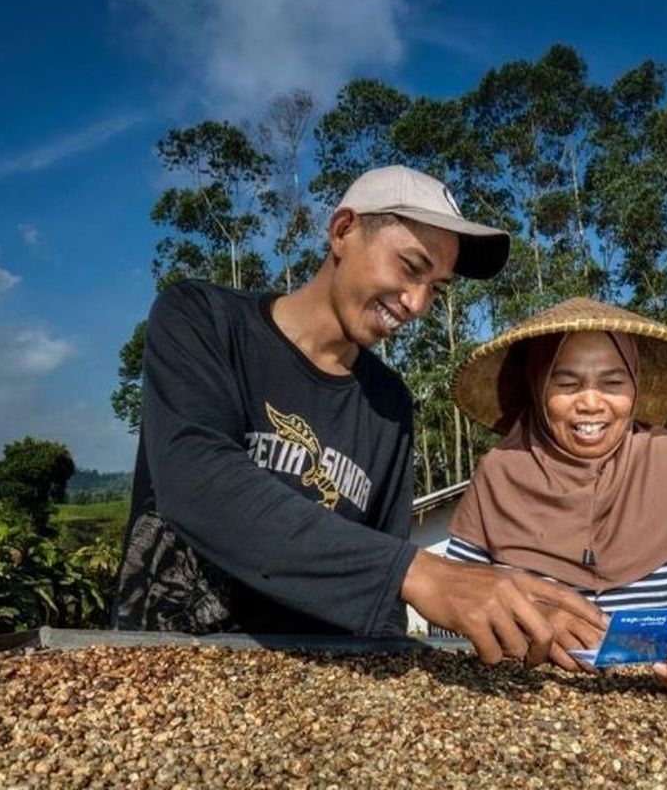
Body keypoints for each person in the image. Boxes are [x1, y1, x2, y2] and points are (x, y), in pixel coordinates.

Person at [111, 165, 605, 666]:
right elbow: (196, 480)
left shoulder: (388, 405)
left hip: (306, 685)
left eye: (435, 287)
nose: (416, 303)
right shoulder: (203, 319)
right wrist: (421, 573)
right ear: (343, 230)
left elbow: (378, 583)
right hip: (166, 663)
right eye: (411, 267)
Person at [444, 297, 667, 695]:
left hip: (662, 691)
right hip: (527, 696)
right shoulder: (500, 470)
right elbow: (453, 601)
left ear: (634, 389)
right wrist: (524, 621)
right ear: (539, 387)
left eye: (612, 383)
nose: (591, 403)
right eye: (567, 383)